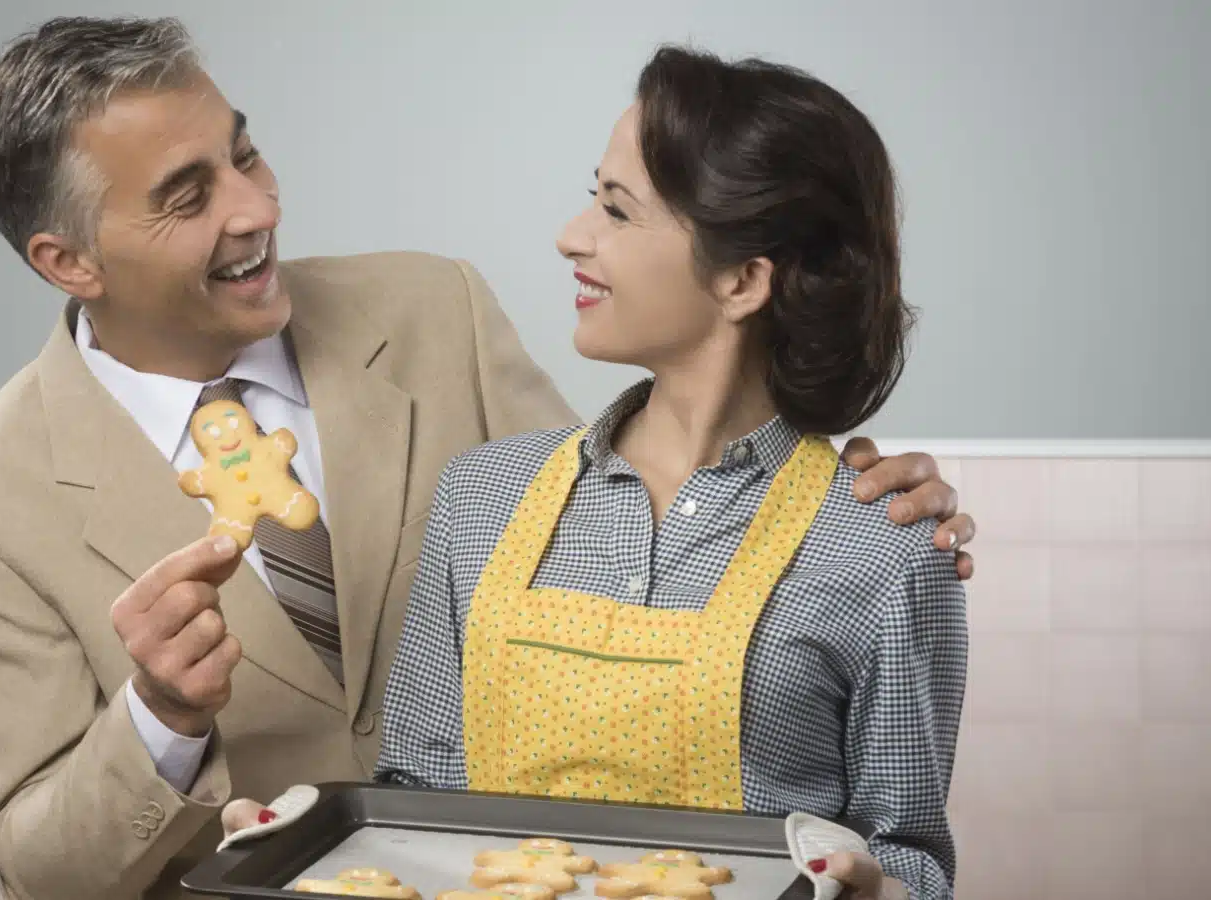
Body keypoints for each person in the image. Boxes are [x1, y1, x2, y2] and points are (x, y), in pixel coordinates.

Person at [0, 16, 975, 900]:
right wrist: (161, 721)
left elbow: (635, 508)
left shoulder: (432, 309)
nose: (258, 207)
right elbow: (36, 868)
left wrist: (832, 497)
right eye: (188, 196)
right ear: (67, 259)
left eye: (244, 152)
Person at [375, 46, 968, 900]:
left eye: (616, 210)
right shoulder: (481, 499)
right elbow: (411, 806)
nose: (571, 235)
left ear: (741, 279)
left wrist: (874, 889)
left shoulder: (888, 551)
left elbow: (910, 859)